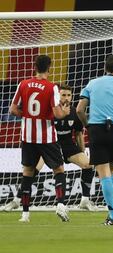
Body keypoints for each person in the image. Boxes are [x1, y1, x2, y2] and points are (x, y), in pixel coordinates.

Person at [3, 84, 97, 212]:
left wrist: (82, 150)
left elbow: (79, 134)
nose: (66, 98)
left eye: (69, 95)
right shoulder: (51, 111)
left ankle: (85, 200)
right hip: (49, 145)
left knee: (88, 164)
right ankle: (17, 200)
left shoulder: (75, 112)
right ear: (58, 96)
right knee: (33, 170)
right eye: (63, 95)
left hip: (68, 145)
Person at [9, 55, 70, 222]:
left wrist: (28, 116)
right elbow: (57, 114)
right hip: (47, 137)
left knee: (28, 172)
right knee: (58, 170)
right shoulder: (52, 87)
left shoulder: (23, 84)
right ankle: (60, 204)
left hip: (27, 137)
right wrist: (64, 112)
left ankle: (25, 214)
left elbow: (13, 110)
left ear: (34, 67)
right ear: (49, 67)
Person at [76, 55, 113, 225]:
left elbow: (80, 109)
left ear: (105, 68)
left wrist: (88, 126)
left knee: (103, 172)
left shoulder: (93, 83)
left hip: (97, 129)